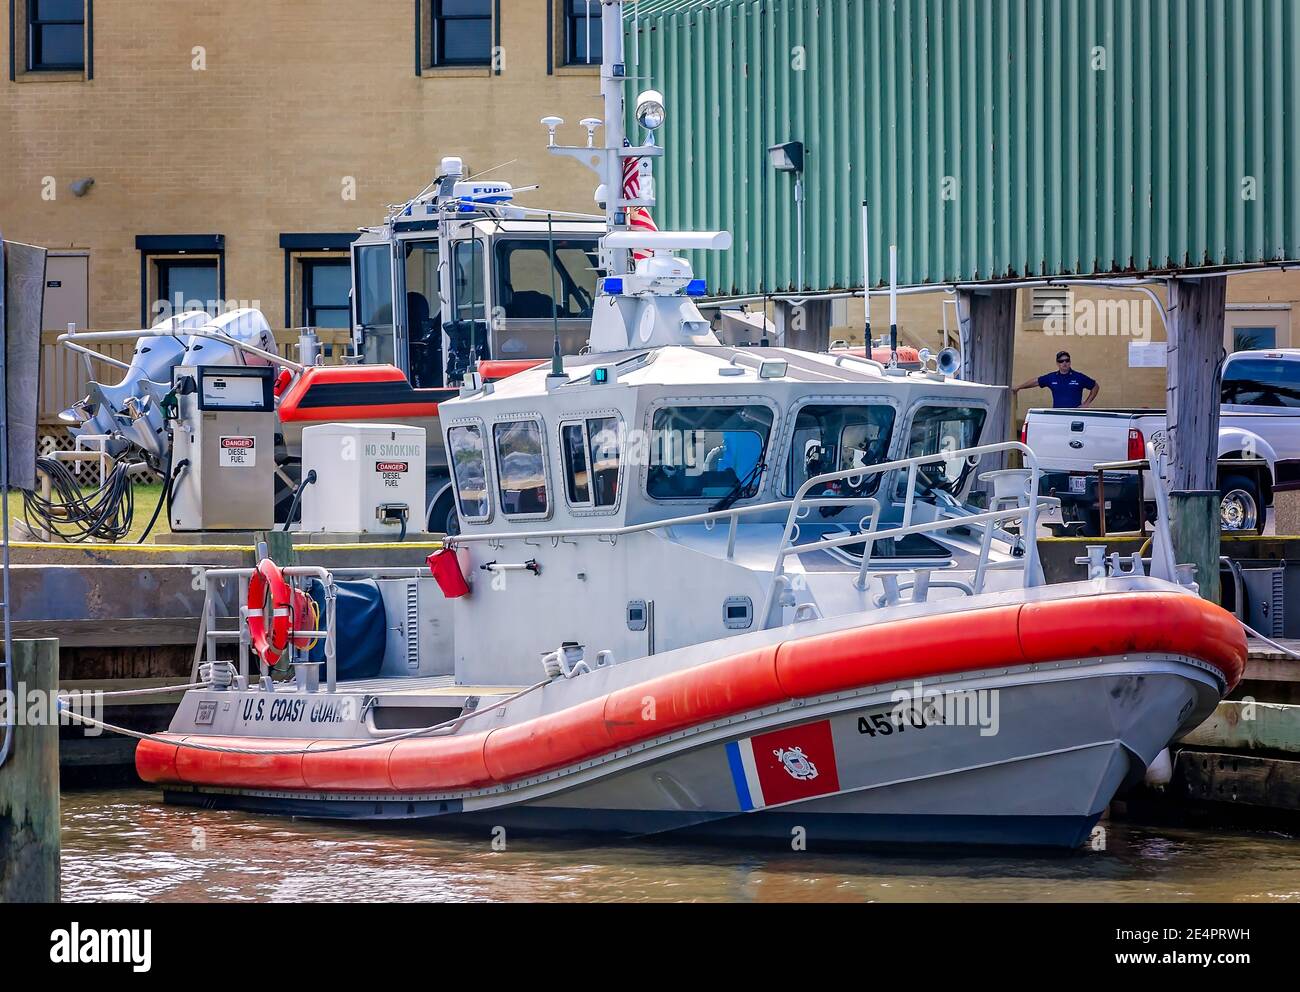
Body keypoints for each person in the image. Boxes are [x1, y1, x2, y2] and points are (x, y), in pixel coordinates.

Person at [1013, 351, 1099, 408]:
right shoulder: (1052, 377)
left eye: (1067, 360)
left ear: (1070, 362)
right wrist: (1019, 387)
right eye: (1061, 361)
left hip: (1075, 415)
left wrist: (1086, 403)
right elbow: (1036, 381)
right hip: (1057, 415)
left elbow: (1095, 386)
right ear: (1057, 363)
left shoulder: (1079, 377)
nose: (1064, 363)